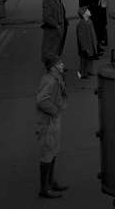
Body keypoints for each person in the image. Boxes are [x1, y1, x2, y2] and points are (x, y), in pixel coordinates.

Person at [36, 56, 69, 198]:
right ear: (53, 67)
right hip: (48, 122)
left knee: (53, 150)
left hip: (53, 121)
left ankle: (50, 182)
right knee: (48, 153)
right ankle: (44, 189)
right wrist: (55, 111)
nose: (62, 65)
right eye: (59, 63)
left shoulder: (56, 78)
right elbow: (42, 100)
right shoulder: (50, 81)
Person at [40, 0, 68, 65]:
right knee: (51, 49)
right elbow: (47, 17)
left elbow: (61, 9)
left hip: (60, 26)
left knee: (58, 48)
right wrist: (57, 25)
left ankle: (57, 65)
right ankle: (52, 67)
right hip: (53, 29)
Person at [75, 6, 99, 80]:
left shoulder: (89, 21)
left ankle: (89, 70)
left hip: (91, 44)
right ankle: (83, 73)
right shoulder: (81, 24)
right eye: (87, 10)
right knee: (84, 60)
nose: (89, 11)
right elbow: (81, 38)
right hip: (86, 46)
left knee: (90, 58)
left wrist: (95, 42)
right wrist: (84, 47)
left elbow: (93, 33)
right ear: (84, 14)